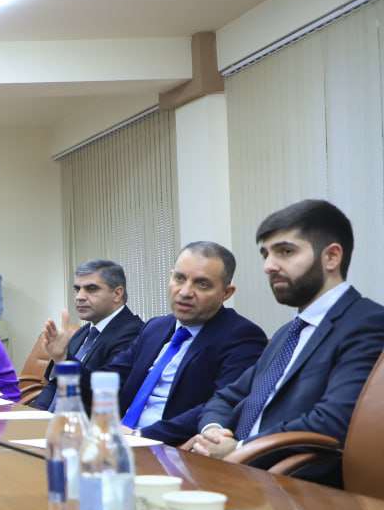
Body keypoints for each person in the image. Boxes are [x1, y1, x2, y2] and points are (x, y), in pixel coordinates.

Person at [188, 200, 384, 485]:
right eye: (265, 254)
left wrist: (241, 449)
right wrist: (213, 431)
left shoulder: (368, 323)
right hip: (235, 473)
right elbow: (227, 397)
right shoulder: (287, 334)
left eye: (286, 251)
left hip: (293, 486)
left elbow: (333, 422)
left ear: (331, 257)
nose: (269, 266)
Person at [104, 242, 266, 445]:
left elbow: (220, 405)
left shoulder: (242, 337)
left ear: (226, 293)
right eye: (179, 278)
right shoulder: (155, 327)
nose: (185, 292)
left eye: (202, 284)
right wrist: (67, 358)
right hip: (118, 439)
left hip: (169, 447)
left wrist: (140, 436)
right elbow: (109, 378)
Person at [32, 259, 144, 410]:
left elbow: (104, 393)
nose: (79, 297)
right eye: (77, 289)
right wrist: (36, 413)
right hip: (52, 419)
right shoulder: (84, 332)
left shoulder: (134, 333)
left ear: (117, 294)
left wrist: (63, 359)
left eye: (91, 289)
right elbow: (54, 384)